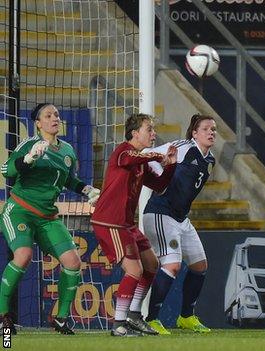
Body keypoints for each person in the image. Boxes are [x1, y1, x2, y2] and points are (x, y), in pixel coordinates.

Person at [0, 103, 100, 335]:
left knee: (73, 262)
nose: (55, 117)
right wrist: (28, 159)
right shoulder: (29, 145)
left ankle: (62, 320)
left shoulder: (67, 150)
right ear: (38, 123)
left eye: (56, 114)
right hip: (19, 211)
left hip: (47, 216)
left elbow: (67, 180)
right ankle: (3, 315)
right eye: (48, 115)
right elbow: (7, 171)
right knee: (23, 256)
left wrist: (87, 190)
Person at [90, 113, 177, 337]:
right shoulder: (123, 151)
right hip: (110, 221)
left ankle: (134, 316)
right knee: (134, 270)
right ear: (134, 133)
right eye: (149, 129)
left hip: (127, 224)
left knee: (151, 264)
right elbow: (128, 159)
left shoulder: (141, 162)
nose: (153, 133)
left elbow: (159, 186)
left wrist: (170, 166)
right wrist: (157, 156)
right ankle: (119, 324)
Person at [130, 114, 216, 335]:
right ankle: (153, 319)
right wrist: (159, 176)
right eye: (205, 128)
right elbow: (148, 155)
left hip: (180, 218)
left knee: (200, 266)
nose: (211, 132)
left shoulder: (210, 160)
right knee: (172, 265)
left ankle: (186, 317)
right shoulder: (184, 147)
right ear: (194, 133)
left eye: (213, 129)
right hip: (160, 212)